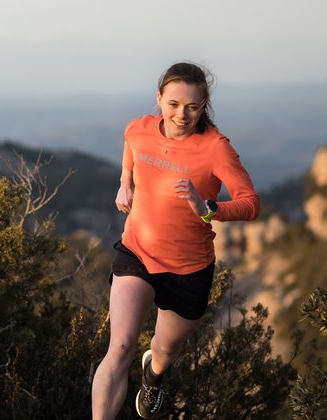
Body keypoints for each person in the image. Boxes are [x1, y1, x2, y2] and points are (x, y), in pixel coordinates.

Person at [90, 62, 259, 419]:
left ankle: (153, 376)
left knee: (165, 351)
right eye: (173, 104)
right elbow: (130, 145)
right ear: (159, 100)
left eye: (192, 107)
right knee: (119, 347)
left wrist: (206, 208)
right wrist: (126, 181)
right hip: (137, 251)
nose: (182, 115)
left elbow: (249, 203)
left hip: (188, 268)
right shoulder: (140, 129)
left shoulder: (215, 148)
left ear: (204, 105)